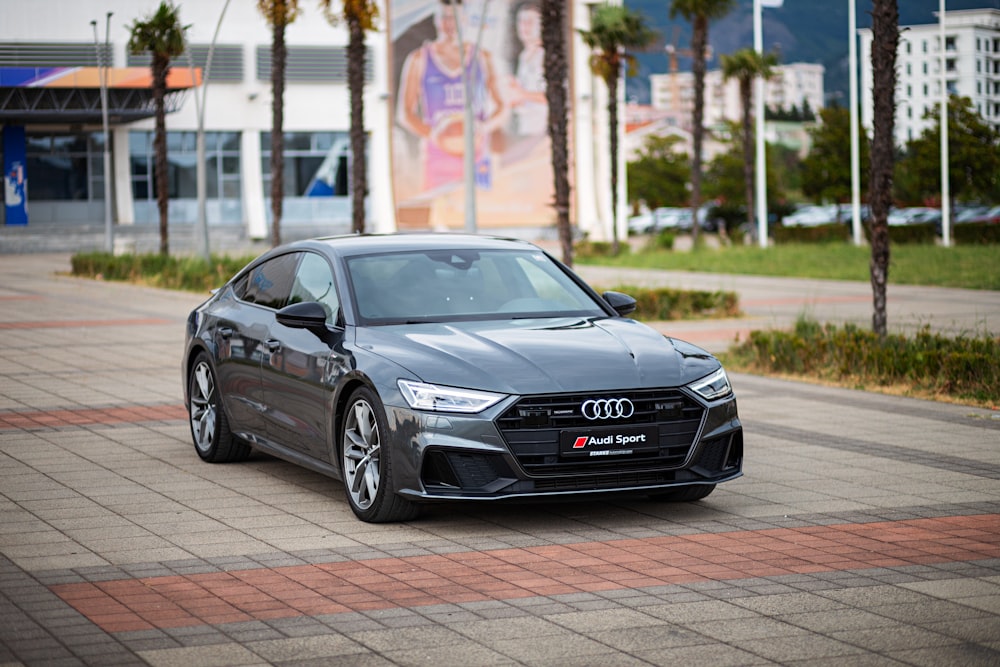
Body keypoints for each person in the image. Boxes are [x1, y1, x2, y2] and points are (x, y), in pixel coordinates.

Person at [397, 0, 507, 193]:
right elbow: (405, 113)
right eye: (444, 17)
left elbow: (503, 107)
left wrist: (484, 127)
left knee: (482, 211)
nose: (450, 23)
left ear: (464, 19)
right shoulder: (419, 59)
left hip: (477, 153)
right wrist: (434, 135)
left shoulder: (482, 57)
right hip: (437, 156)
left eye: (454, 17)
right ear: (436, 20)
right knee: (441, 214)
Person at [505, 1, 547, 138]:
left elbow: (550, 95)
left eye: (530, 21)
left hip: (542, 133)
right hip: (526, 130)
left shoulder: (545, 56)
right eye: (521, 21)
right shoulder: (524, 56)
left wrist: (520, 94)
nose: (524, 26)